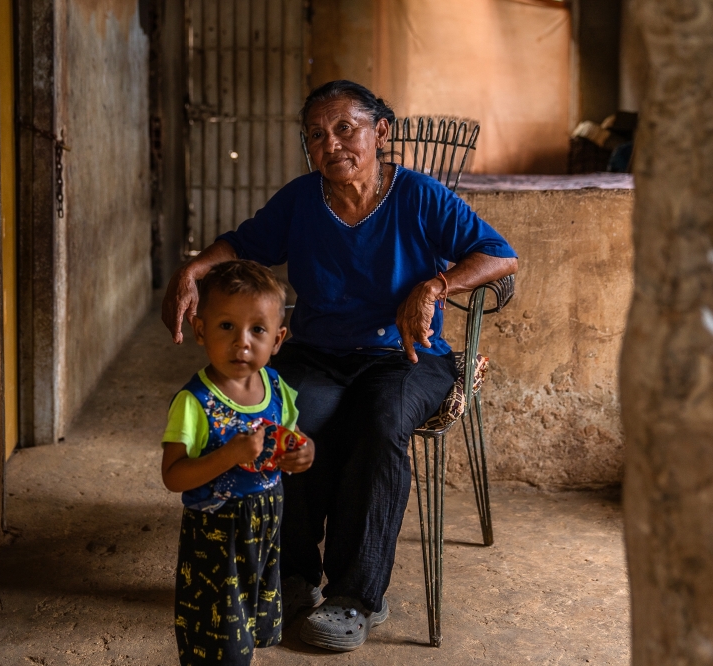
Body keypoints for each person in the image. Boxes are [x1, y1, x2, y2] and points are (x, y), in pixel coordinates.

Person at [162, 80, 518, 652]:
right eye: (316, 135)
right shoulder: (302, 200)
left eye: (344, 128)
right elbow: (242, 243)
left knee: (380, 425)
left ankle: (356, 597)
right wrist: (193, 270)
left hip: (407, 357)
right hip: (319, 353)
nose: (331, 144)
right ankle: (295, 575)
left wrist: (436, 284)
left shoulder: (419, 196)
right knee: (289, 420)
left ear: (379, 132)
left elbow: (500, 254)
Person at [161, 260, 316, 665]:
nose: (242, 343)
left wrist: (304, 452)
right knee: (217, 637)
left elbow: (292, 441)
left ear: (278, 339)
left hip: (265, 528)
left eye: (257, 330)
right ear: (200, 330)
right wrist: (230, 454)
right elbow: (173, 477)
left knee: (250, 625)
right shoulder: (195, 403)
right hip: (217, 537)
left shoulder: (276, 388)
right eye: (226, 326)